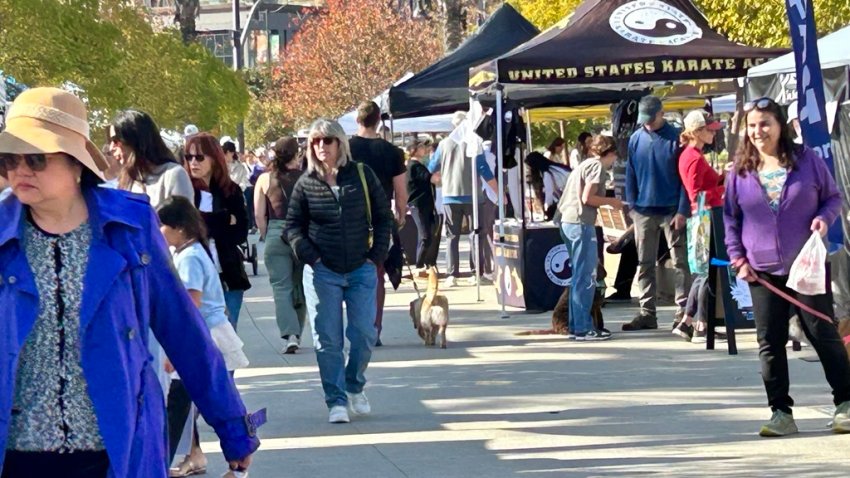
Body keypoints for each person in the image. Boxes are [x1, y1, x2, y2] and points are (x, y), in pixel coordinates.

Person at [0, 87, 257, 478]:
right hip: (16, 457)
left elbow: (185, 332)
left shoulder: (131, 227)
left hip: (117, 452)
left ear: (76, 164)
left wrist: (233, 428)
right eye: (8, 159)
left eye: (36, 158)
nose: (20, 171)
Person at [724, 96, 850, 437]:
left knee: (822, 332)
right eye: (751, 126)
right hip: (761, 271)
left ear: (780, 125)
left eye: (765, 123)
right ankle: (781, 412)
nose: (757, 131)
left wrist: (824, 219)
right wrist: (738, 259)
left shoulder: (806, 161)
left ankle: (845, 404)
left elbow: (833, 197)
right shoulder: (740, 170)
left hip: (805, 266)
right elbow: (730, 219)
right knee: (770, 341)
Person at [285, 119, 392, 424]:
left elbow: (384, 217)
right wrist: (311, 257)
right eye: (315, 141)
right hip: (322, 272)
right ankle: (336, 399)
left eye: (327, 141)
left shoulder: (361, 174)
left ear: (339, 144)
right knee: (327, 339)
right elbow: (293, 227)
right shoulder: (305, 183)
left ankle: (354, 384)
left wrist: (376, 255)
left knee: (364, 333)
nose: (321, 147)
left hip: (361, 267)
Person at [157, 196, 250, 476]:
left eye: (162, 225)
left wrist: (178, 351)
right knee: (215, 404)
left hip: (203, 339)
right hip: (209, 337)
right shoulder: (191, 252)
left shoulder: (190, 258)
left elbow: (190, 307)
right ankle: (239, 461)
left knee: (183, 405)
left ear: (179, 227)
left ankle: (159, 465)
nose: (158, 231)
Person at [623, 96, 691, 331]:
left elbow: (686, 178)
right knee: (645, 262)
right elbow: (630, 171)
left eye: (651, 119)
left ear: (662, 113)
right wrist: (631, 204)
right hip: (643, 210)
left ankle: (683, 311)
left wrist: (683, 209)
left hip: (671, 209)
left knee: (680, 262)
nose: (648, 124)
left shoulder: (677, 138)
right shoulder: (635, 138)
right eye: (645, 120)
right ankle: (647, 312)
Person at [349, 101, 408, 344]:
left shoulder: (347, 149)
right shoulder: (392, 152)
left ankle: (357, 326)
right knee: (377, 273)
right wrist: (401, 214)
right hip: (381, 218)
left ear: (357, 120)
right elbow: (401, 191)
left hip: (351, 218)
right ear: (379, 121)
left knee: (350, 273)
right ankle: (374, 327)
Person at [555, 135, 623, 341]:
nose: (614, 161)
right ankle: (584, 327)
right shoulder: (597, 168)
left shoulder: (584, 165)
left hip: (567, 220)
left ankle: (578, 326)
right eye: (614, 157)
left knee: (578, 276)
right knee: (586, 277)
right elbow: (588, 197)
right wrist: (612, 201)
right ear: (610, 153)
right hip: (580, 222)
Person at [184, 133, 251, 330]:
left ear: (214, 158)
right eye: (189, 157)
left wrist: (205, 222)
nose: (193, 162)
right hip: (194, 277)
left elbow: (240, 233)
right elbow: (187, 229)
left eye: (199, 157)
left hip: (227, 273)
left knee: (226, 338)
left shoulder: (231, 191)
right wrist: (223, 219)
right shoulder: (185, 190)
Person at [672, 110, 726, 343]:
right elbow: (696, 195)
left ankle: (689, 321)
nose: (714, 132)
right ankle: (701, 324)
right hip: (703, 218)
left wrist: (725, 176)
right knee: (706, 272)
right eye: (709, 129)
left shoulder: (693, 155)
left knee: (704, 272)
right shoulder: (692, 157)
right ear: (697, 132)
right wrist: (722, 190)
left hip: (705, 216)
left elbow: (710, 181)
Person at [430, 111, 500, 287]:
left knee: (452, 236)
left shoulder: (444, 145)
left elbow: (431, 167)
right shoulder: (474, 143)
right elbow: (484, 169)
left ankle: (451, 274)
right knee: (475, 234)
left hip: (449, 196)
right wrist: (498, 192)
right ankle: (477, 272)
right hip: (473, 196)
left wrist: (442, 176)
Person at [254, 137, 307, 354]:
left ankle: (290, 334)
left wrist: (267, 234)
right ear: (297, 154)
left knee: (281, 287)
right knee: (301, 287)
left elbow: (259, 215)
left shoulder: (265, 179)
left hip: (276, 232)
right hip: (303, 234)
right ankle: (298, 331)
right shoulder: (308, 178)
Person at [110, 110, 194, 208]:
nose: (111, 148)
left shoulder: (173, 175)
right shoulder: (125, 180)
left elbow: (184, 221)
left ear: (134, 140)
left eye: (115, 140)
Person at [406, 139, 437, 273]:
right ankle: (419, 265)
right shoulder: (414, 166)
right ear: (415, 149)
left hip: (424, 204)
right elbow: (432, 179)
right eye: (422, 147)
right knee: (425, 235)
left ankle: (423, 263)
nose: (425, 149)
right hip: (418, 204)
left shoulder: (417, 165)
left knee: (426, 234)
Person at [223, 140, 253, 233]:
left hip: (239, 192)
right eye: (225, 153)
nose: (226, 155)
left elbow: (238, 182)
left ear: (231, 153)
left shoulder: (239, 166)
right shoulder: (221, 166)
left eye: (228, 153)